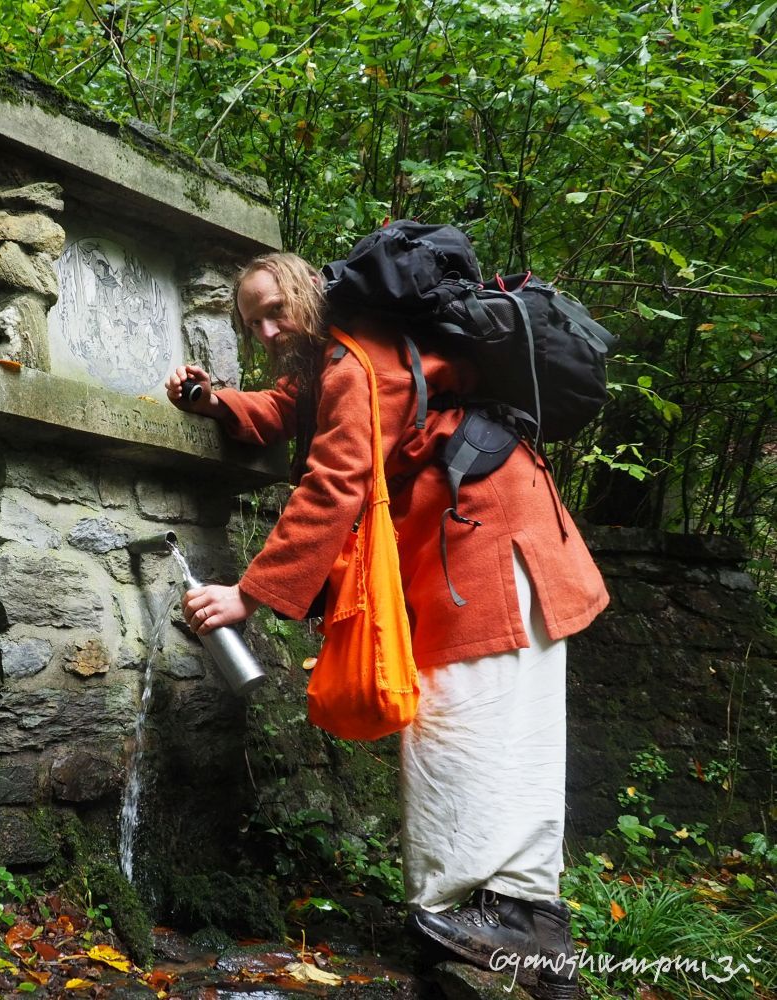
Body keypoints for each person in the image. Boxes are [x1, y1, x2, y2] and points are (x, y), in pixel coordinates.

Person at [164, 251, 608, 1000]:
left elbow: (336, 481)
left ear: (309, 291)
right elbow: (290, 410)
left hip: (487, 550)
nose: (268, 330)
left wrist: (250, 593)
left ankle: (500, 925)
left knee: (469, 729)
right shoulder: (344, 358)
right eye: (252, 322)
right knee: (490, 732)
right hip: (487, 544)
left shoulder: (353, 363)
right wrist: (219, 404)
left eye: (276, 310)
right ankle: (515, 932)